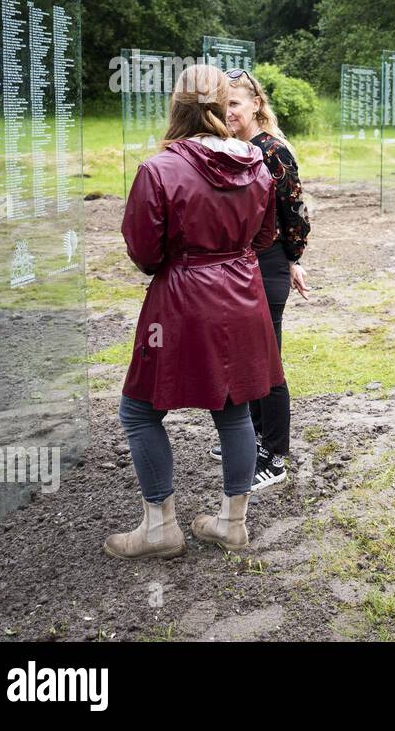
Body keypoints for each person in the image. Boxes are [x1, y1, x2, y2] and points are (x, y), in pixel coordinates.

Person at [103, 64, 283, 559]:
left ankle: (159, 527)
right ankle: (231, 523)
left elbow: (145, 253)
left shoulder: (159, 169)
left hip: (181, 301)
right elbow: (265, 237)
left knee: (140, 409)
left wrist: (188, 261)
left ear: (177, 106)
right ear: (223, 105)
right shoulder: (258, 163)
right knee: (233, 410)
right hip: (242, 295)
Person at [212, 68, 312, 491]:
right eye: (222, 106)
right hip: (240, 263)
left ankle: (273, 456)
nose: (228, 112)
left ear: (256, 104)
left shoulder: (272, 150)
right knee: (245, 355)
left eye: (234, 104)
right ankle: (251, 435)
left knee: (267, 362)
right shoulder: (230, 147)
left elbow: (296, 211)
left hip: (267, 263)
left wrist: (292, 259)